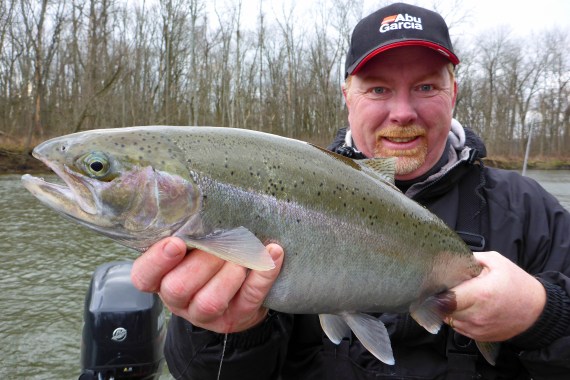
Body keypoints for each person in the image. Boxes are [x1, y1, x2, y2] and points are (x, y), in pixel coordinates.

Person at [131, 3, 570, 379]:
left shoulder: (530, 210)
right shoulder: (279, 188)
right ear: (348, 95)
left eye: (426, 87)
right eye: (378, 89)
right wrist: (223, 329)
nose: (402, 112)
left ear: (453, 92)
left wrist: (540, 315)